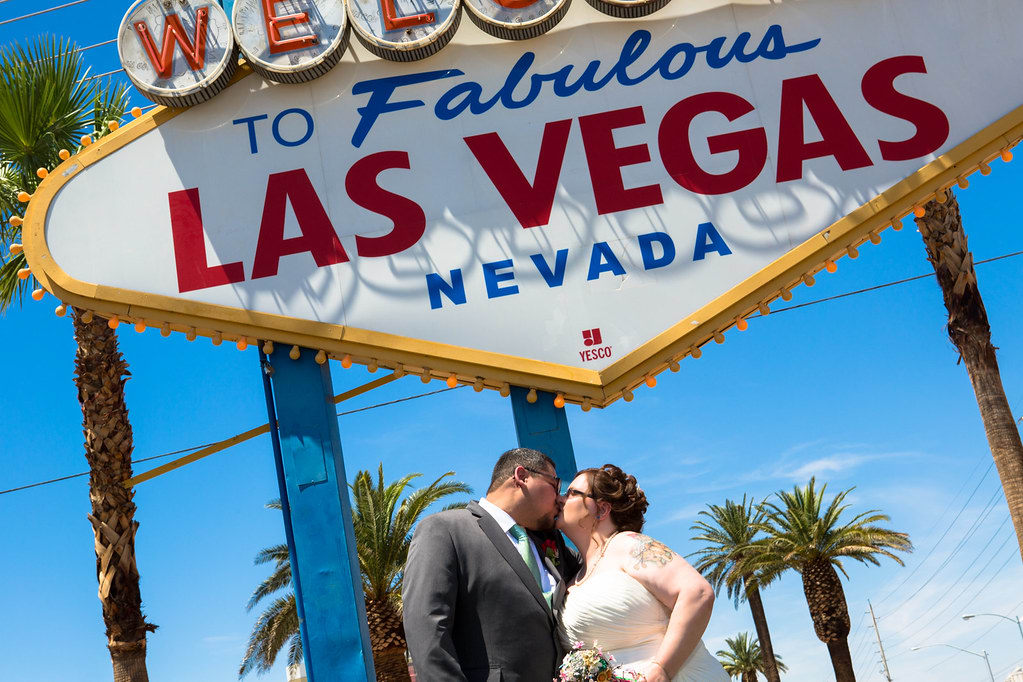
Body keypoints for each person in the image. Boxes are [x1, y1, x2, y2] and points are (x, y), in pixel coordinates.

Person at [403, 448, 579, 681]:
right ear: (522, 476)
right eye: (554, 485)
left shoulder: (550, 545)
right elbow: (427, 629)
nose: (559, 497)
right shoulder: (446, 529)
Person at [557, 464, 729, 682]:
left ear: (601, 509)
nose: (561, 499)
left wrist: (662, 670)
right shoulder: (575, 576)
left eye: (572, 493)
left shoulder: (627, 545)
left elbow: (697, 593)